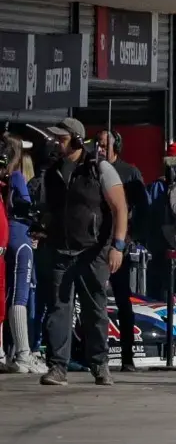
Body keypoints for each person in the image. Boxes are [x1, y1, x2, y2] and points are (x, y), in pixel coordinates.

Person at [36, 118, 129, 386]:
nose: (56, 142)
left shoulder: (98, 168)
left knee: (94, 309)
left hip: (92, 251)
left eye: (61, 138)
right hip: (59, 250)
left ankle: (100, 365)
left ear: (77, 140)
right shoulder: (52, 171)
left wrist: (117, 246)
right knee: (58, 309)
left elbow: (120, 208)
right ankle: (57, 367)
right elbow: (50, 209)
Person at [96, 131, 147, 372]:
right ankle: (96, 356)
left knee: (123, 299)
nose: (99, 148)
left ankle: (128, 357)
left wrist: (128, 238)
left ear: (116, 146)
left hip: (120, 245)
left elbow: (142, 210)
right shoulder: (91, 169)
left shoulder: (129, 172)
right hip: (94, 243)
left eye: (104, 145)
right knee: (94, 300)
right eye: (97, 143)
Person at [1, 135, 43, 374]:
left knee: (5, 295)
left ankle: (8, 351)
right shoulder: (17, 176)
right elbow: (28, 207)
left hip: (6, 236)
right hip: (20, 236)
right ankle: (23, 354)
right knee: (21, 296)